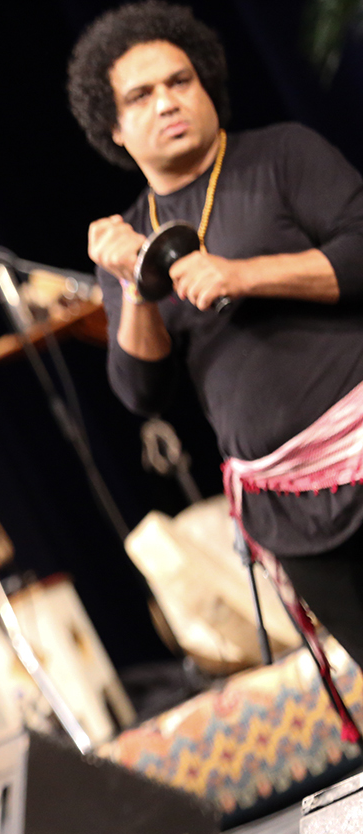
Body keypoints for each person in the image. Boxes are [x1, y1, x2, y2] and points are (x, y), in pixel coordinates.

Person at [70, 2, 363, 666]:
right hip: (287, 507)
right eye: (141, 95)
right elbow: (141, 391)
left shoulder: (282, 153)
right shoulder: (129, 238)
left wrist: (242, 274)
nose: (167, 102)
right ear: (114, 128)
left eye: (180, 81)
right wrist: (133, 283)